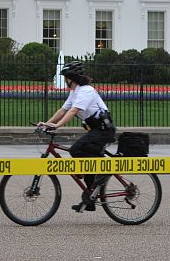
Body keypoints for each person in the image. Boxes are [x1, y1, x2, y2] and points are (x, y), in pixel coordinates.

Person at [38, 60, 116, 213]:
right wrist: (47, 124)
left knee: (76, 150)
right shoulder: (75, 92)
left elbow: (73, 111)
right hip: (96, 130)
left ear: (70, 78)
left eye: (66, 77)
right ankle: (91, 198)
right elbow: (63, 110)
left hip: (103, 130)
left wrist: (57, 126)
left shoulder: (86, 91)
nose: (65, 80)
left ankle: (106, 168)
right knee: (87, 164)